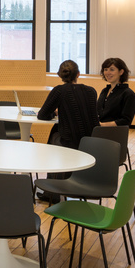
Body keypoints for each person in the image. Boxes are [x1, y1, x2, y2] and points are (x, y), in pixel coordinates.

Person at [36, 59, 99, 198]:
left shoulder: (59, 90)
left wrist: (55, 113)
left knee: (54, 136)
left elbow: (42, 115)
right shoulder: (91, 91)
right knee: (56, 133)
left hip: (70, 141)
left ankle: (52, 192)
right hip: (92, 142)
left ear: (60, 75)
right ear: (78, 74)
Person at [97, 57, 135, 127]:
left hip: (115, 131)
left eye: (112, 70)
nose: (108, 73)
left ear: (121, 72)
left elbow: (125, 121)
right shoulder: (104, 91)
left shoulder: (129, 94)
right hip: (99, 129)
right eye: (105, 69)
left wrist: (101, 125)